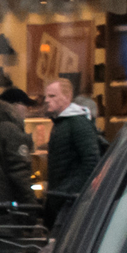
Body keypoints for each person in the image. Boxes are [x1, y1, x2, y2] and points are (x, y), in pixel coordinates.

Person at [41, 73, 104, 228]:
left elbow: (91, 161)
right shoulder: (63, 123)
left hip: (69, 201)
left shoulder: (76, 123)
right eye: (46, 96)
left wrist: (67, 193)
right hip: (64, 198)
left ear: (67, 97)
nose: (47, 100)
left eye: (52, 96)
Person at [0, 88, 38, 210]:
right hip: (7, 203)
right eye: (25, 105)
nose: (27, 110)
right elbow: (19, 173)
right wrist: (31, 206)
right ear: (16, 105)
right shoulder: (12, 131)